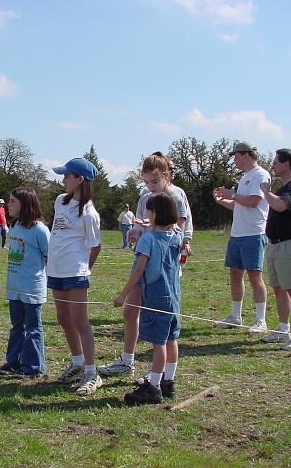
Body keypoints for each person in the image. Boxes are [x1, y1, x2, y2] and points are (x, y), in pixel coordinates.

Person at [99, 152, 189, 377]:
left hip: (163, 267)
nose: (150, 186)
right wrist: (135, 231)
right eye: (146, 182)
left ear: (166, 175)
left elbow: (181, 228)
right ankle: (127, 361)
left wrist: (185, 243)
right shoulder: (144, 196)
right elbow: (140, 222)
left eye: (154, 181)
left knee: (161, 322)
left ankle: (160, 375)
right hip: (143, 256)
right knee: (131, 311)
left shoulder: (177, 196)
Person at [115, 192, 181, 405]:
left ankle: (153, 387)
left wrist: (123, 294)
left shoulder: (148, 240)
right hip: (174, 296)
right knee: (172, 339)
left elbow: (138, 270)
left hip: (155, 296)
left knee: (159, 342)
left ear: (154, 214)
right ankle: (168, 382)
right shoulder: (176, 237)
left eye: (149, 211)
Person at [47, 157, 102, 395]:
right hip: (56, 271)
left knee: (80, 321)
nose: (63, 180)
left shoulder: (89, 214)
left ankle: (92, 373)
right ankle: (77, 363)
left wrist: (85, 269)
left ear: (80, 180)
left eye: (67, 176)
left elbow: (95, 246)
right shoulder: (60, 201)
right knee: (63, 319)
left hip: (75, 273)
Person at [213, 141, 270, 333]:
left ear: (246, 155)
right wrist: (222, 200)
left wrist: (233, 194)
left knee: (255, 276)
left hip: (253, 234)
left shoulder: (261, 175)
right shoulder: (245, 177)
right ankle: (236, 316)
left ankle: (260, 320)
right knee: (235, 274)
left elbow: (254, 202)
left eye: (235, 156)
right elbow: (239, 205)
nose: (234, 160)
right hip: (237, 234)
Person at [260, 148, 291, 350]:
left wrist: (265, 192)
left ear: (287, 164)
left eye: (276, 162)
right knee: (279, 290)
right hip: (275, 246)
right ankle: (283, 330)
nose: (272, 165)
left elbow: (281, 206)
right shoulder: (283, 188)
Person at [0, 187, 51, 376]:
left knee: (32, 328)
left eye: (13, 201)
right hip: (15, 286)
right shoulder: (14, 226)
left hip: (31, 287)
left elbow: (49, 257)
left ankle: (33, 366)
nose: (8, 205)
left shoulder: (40, 230)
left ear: (25, 204)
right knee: (17, 326)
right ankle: (13, 361)